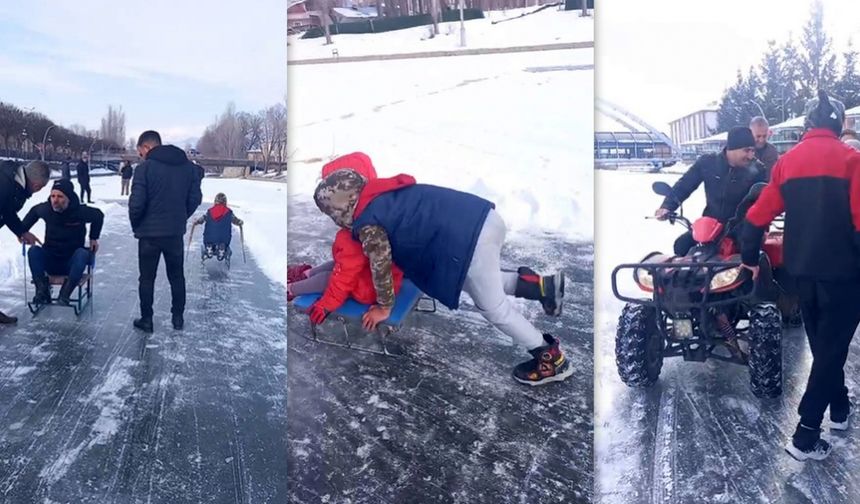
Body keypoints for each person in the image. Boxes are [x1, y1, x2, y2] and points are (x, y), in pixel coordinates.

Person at [312, 169, 568, 386]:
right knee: (475, 281)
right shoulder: (383, 194)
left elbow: (380, 263)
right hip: (483, 218)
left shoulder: (368, 220)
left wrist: (384, 307)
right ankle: (541, 288)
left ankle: (550, 358)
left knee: (494, 308)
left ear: (340, 207)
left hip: (469, 240)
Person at [740, 90, 860, 461]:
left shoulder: (786, 164)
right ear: (839, 124)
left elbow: (757, 217)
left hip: (801, 274)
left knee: (825, 346)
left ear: (808, 124)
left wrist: (749, 256)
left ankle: (839, 410)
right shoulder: (853, 160)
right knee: (831, 349)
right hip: (844, 274)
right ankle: (806, 433)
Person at [129, 130, 202, 333]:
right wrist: (180, 217)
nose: (140, 156)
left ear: (146, 147)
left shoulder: (144, 169)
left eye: (140, 152)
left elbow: (136, 203)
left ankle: (147, 320)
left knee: (146, 279)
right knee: (177, 277)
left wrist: (138, 225)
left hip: (148, 236)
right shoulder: (188, 168)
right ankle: (177, 318)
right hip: (174, 234)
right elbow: (195, 197)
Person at [654, 126, 767, 257]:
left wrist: (757, 226)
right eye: (746, 151)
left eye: (753, 151)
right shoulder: (708, 163)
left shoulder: (757, 170)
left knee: (746, 254)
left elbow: (762, 200)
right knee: (681, 245)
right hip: (710, 225)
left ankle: (754, 277)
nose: (750, 155)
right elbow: (685, 185)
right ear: (732, 149)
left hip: (740, 226)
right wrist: (667, 206)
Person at [20, 179, 103, 305]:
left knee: (82, 253)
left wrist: (93, 238)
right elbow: (34, 212)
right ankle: (42, 291)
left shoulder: (79, 212)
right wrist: (22, 232)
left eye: (60, 196)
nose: (55, 200)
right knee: (33, 251)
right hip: (51, 259)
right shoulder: (46, 209)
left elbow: (98, 215)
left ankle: (64, 295)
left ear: (68, 198)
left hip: (72, 263)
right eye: (53, 196)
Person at [0, 160, 51, 324]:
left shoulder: (12, 181)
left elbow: (7, 211)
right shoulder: (6, 183)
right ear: (36, 185)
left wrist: (22, 231)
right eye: (40, 188)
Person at [191, 193, 243, 261]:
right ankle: (222, 248)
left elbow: (201, 219)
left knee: (209, 238)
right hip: (224, 238)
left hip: (209, 237)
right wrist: (240, 222)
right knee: (225, 241)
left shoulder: (209, 212)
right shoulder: (229, 213)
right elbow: (236, 221)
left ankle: (209, 246)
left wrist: (196, 222)